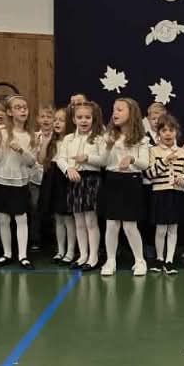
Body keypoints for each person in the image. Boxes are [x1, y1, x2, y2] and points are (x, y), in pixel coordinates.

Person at [100, 97, 149, 276]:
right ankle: (110, 260)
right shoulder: (109, 136)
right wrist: (108, 147)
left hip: (131, 181)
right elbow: (103, 162)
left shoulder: (141, 139)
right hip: (113, 180)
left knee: (129, 225)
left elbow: (145, 164)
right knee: (112, 224)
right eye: (114, 109)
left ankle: (140, 260)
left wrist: (132, 159)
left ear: (132, 113)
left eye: (120, 109)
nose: (115, 113)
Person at [57, 100, 105, 270]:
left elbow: (104, 160)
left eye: (87, 117)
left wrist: (87, 158)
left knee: (90, 221)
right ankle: (83, 255)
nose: (84, 121)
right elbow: (60, 158)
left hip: (91, 180)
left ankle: (93, 256)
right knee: (78, 221)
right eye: (80, 117)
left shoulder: (98, 138)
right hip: (74, 180)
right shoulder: (69, 139)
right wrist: (68, 169)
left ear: (93, 119)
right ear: (74, 119)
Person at [0, 94, 36, 268]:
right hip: (1, 180)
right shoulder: (2, 133)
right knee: (3, 219)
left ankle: (23, 256)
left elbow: (32, 162)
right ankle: (7, 253)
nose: (23, 110)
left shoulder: (30, 135)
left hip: (20, 182)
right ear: (9, 112)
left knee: (21, 218)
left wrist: (21, 150)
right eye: (18, 107)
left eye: (25, 107)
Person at [147, 115, 184, 274]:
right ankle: (159, 258)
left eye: (171, 130)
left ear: (176, 132)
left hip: (176, 194)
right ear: (158, 133)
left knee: (173, 228)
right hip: (160, 193)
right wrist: (165, 160)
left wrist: (182, 179)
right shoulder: (153, 151)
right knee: (161, 229)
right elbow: (150, 174)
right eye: (164, 130)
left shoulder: (183, 152)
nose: (168, 133)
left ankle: (169, 260)